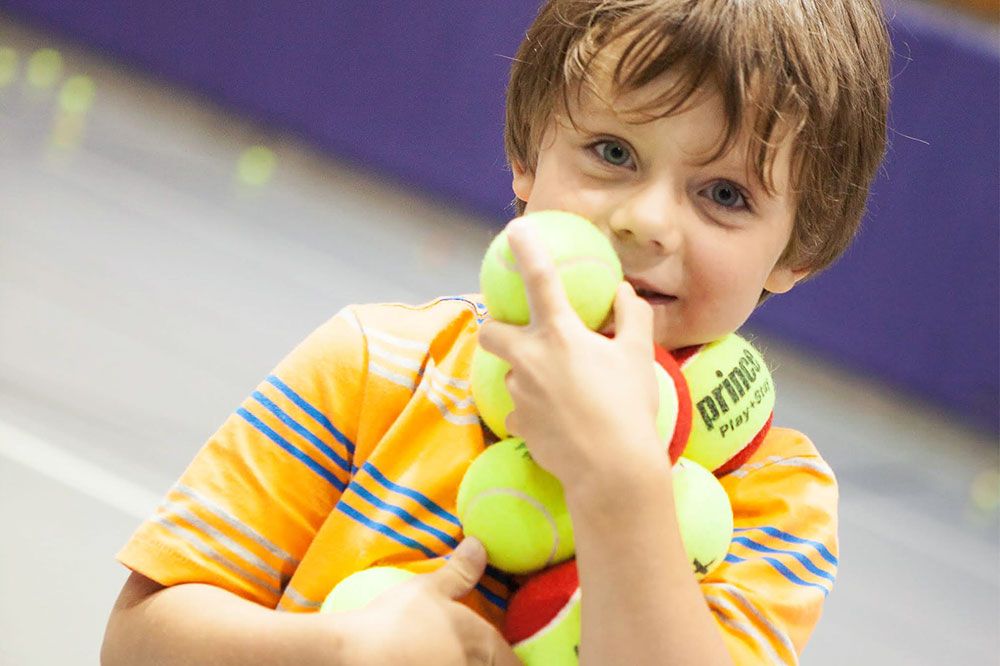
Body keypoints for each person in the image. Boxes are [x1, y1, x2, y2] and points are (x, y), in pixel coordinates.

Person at [101, 1, 889, 664]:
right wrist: (339, 647)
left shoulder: (775, 497)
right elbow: (136, 639)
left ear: (800, 248)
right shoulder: (378, 362)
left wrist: (620, 481)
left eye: (723, 193)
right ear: (527, 153)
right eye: (612, 153)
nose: (646, 220)